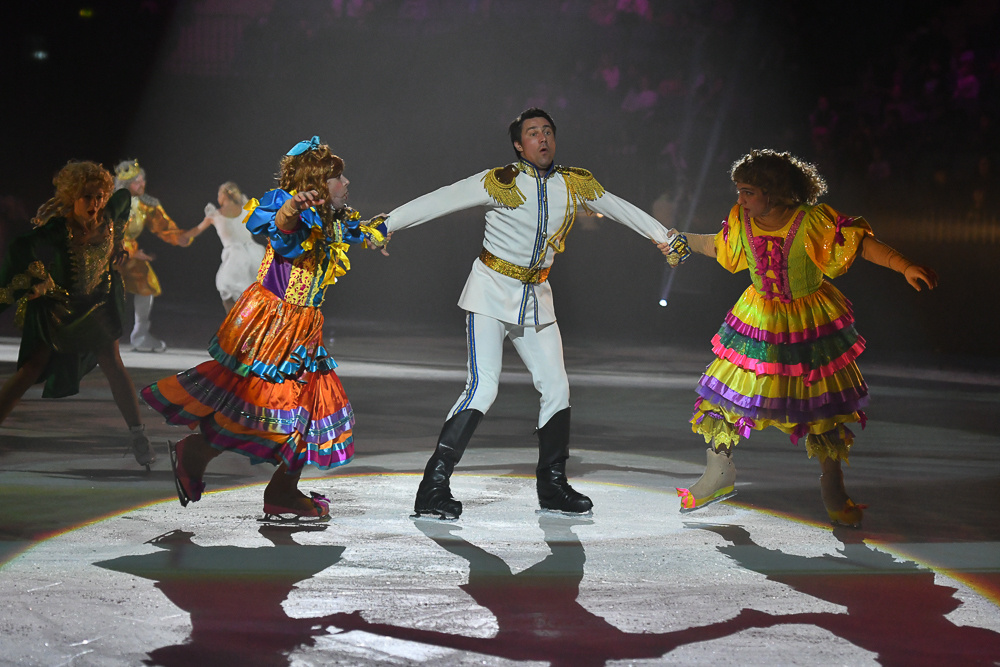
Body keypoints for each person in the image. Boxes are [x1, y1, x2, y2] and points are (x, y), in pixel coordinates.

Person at [373, 108, 676, 520]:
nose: (543, 138)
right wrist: (387, 224)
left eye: (548, 131)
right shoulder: (499, 182)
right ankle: (433, 486)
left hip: (536, 299)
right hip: (489, 293)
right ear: (519, 144)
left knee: (557, 388)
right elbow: (441, 199)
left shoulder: (575, 184)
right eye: (533, 133)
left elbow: (620, 208)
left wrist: (664, 236)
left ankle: (552, 485)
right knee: (483, 388)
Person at [659, 149, 938, 527]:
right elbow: (719, 246)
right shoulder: (743, 219)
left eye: (747, 192)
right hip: (758, 318)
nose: (740, 199)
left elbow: (860, 244)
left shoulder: (811, 221)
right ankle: (718, 472)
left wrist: (903, 265)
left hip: (807, 321)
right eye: (739, 192)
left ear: (772, 193)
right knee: (723, 393)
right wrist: (685, 240)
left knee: (822, 408)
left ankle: (833, 487)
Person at [140, 137, 388, 520]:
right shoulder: (291, 210)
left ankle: (275, 488)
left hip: (304, 327)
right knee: (271, 406)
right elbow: (281, 227)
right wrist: (291, 205)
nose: (347, 183)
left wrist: (376, 236)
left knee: (297, 408)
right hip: (275, 325)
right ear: (319, 184)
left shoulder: (332, 220)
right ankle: (219, 463)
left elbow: (356, 233)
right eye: (339, 177)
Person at [0, 161, 156, 469]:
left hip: (98, 305)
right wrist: (38, 278)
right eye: (87, 196)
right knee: (32, 368)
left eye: (99, 195)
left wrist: (120, 240)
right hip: (59, 307)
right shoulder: (60, 228)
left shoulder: (110, 217)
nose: (95, 203)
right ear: (72, 196)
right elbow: (21, 245)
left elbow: (123, 200)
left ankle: (138, 435)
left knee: (112, 362)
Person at [113, 159, 197, 352]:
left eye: (143, 180)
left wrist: (180, 237)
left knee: (147, 284)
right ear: (125, 185)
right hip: (108, 252)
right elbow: (105, 231)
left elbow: (163, 226)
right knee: (105, 290)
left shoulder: (146, 204)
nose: (142, 184)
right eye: (137, 182)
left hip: (130, 255)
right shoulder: (111, 202)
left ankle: (140, 334)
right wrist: (130, 250)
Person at [185, 181, 266, 312]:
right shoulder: (246, 208)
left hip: (236, 257)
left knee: (226, 288)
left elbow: (196, 230)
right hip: (255, 254)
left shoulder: (215, 214)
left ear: (223, 196)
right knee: (254, 291)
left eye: (218, 194)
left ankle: (235, 325)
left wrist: (181, 236)